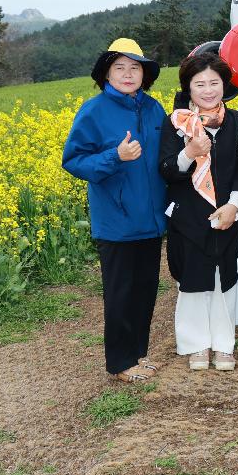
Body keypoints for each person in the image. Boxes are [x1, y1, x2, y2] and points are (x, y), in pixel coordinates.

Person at [63, 38, 167, 383]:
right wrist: (114, 157)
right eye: (119, 67)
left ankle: (138, 353)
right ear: (106, 73)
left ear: (144, 74)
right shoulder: (93, 111)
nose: (127, 74)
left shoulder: (153, 109)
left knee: (145, 291)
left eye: (134, 67)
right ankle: (121, 362)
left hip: (151, 220)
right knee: (120, 293)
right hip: (117, 221)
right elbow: (74, 160)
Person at [159, 52, 238, 371]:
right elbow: (167, 169)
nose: (209, 89)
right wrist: (189, 153)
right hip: (188, 215)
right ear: (188, 87)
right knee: (193, 279)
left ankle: (224, 345)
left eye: (215, 82)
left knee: (224, 278)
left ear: (224, 85)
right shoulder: (175, 124)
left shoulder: (237, 121)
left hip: (227, 212)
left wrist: (234, 205)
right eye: (200, 84)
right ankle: (196, 344)